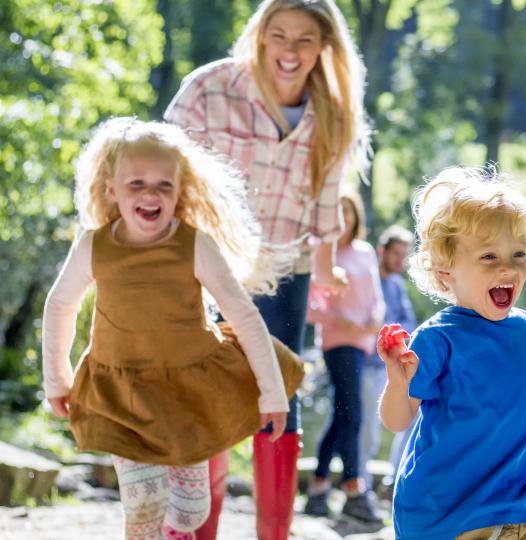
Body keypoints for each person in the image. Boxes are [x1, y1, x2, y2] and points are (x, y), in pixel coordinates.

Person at [41, 118, 304, 540]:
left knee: (190, 511)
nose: (150, 194)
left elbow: (243, 315)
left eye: (164, 185)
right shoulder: (95, 246)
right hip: (122, 394)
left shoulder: (194, 244)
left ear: (180, 192)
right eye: (137, 183)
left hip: (187, 396)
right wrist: (57, 379)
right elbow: (60, 306)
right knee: (143, 502)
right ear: (112, 190)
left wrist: (272, 394)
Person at [163, 0, 370, 537]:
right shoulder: (211, 89)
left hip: (285, 269)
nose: (290, 51)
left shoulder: (333, 112)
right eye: (279, 35)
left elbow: (325, 208)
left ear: (324, 45)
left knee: (279, 392)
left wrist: (326, 269)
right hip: (205, 267)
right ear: (260, 35)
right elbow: (159, 165)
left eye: (305, 39)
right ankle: (195, 529)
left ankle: (273, 532)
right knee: (207, 398)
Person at [378, 167, 526, 539]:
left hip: (520, 504)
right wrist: (398, 382)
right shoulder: (437, 337)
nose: (507, 266)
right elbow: (397, 420)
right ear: (446, 272)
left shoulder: (525, 328)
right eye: (489, 256)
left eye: (518, 253)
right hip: (449, 511)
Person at [304, 192, 384, 522]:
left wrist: (375, 322)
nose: (345, 218)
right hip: (338, 343)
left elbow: (376, 298)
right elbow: (308, 309)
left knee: (344, 414)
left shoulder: (365, 252)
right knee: (353, 412)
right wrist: (336, 320)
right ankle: (353, 488)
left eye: (349, 212)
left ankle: (320, 486)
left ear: (356, 217)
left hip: (363, 341)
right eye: (339, 212)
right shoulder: (324, 254)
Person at [357, 224, 417, 489]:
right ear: (382, 251)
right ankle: (362, 486)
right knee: (368, 430)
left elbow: (408, 322)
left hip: (393, 365)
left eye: (404, 255)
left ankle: (395, 480)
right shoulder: (367, 280)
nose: (399, 261)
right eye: (395, 254)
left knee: (409, 420)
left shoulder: (396, 284)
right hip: (368, 363)